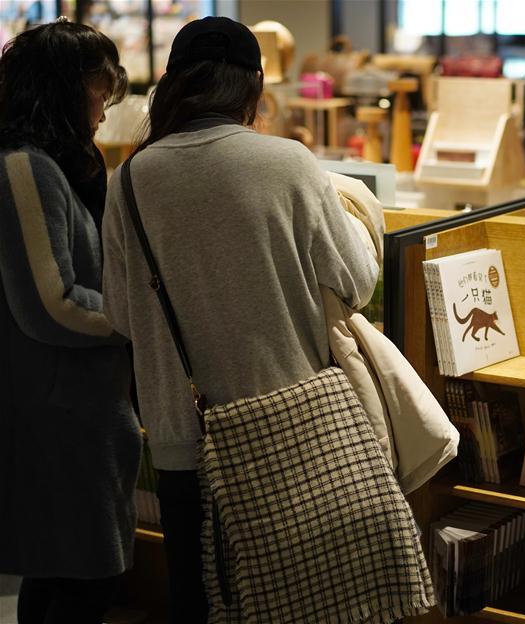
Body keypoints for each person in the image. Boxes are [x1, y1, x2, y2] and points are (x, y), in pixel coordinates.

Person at [101, 17, 378, 623]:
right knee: (299, 605)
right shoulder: (290, 163)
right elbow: (355, 281)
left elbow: (120, 314)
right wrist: (359, 217)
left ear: (172, 85)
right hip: (290, 432)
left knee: (203, 602)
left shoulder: (128, 182)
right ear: (255, 85)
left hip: (182, 440)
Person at [0, 19, 142, 624]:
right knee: (78, 579)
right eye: (99, 89)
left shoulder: (50, 166)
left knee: (59, 574)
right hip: (57, 415)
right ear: (62, 87)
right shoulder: (25, 168)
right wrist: (136, 320)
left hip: (70, 408)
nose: (105, 110)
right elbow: (50, 303)